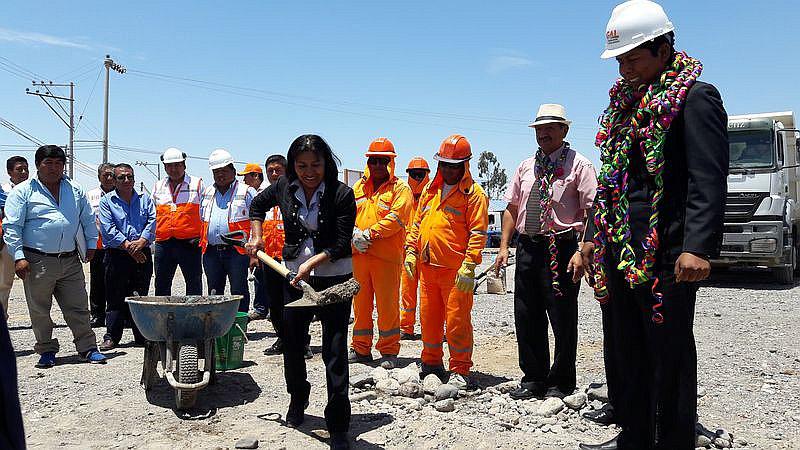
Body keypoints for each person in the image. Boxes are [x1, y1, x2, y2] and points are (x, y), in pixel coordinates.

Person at [579, 1, 728, 449]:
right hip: (623, 252)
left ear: (662, 51)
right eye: (619, 60)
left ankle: (674, 440)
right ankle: (635, 436)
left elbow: (708, 175)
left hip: (669, 254)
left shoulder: (696, 98)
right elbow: (611, 182)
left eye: (631, 57)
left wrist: (698, 246)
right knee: (628, 350)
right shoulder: (625, 108)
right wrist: (590, 237)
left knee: (669, 353)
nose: (623, 68)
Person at [247, 135, 356, 450]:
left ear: (327, 164)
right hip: (293, 279)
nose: (309, 172)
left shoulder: (342, 194)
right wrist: (257, 237)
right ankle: (298, 399)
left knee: (334, 351)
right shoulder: (283, 187)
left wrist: (312, 263)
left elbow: (339, 243)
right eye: (302, 165)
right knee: (293, 345)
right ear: (293, 165)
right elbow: (257, 205)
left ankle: (338, 425)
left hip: (334, 279)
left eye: (316, 165)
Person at [495, 104, 598, 400]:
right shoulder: (526, 167)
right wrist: (504, 247)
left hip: (563, 246)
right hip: (528, 246)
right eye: (540, 129)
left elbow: (594, 210)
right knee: (526, 313)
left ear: (565, 130)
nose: (544, 133)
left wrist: (583, 249)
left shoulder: (581, 166)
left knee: (562, 315)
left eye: (551, 127)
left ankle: (562, 381)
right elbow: (512, 208)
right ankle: (533, 378)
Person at [2, 145, 106, 367]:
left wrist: (91, 244)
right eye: (48, 163)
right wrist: (18, 256)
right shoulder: (23, 192)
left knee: (78, 307)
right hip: (36, 260)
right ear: (38, 165)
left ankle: (87, 348)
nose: (53, 168)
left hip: (70, 259)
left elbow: (87, 218)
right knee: (40, 310)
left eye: (58, 163)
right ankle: (47, 351)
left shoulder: (75, 189)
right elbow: (12, 227)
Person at [404, 135, 488, 389]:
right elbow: (417, 224)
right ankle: (431, 363)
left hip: (456, 272)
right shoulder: (431, 191)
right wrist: (410, 250)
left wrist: (470, 264)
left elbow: (478, 232)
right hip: (428, 269)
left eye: (455, 165)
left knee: (456, 322)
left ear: (465, 165)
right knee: (429, 320)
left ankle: (460, 368)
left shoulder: (473, 194)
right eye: (445, 164)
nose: (450, 170)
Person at [349, 138, 413, 369]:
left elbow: (397, 218)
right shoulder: (357, 189)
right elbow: (346, 215)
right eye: (373, 160)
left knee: (387, 306)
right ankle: (360, 347)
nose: (377, 165)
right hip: (359, 256)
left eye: (382, 161)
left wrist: (369, 234)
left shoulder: (400, 189)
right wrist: (353, 232)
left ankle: (388, 351)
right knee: (360, 304)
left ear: (391, 163)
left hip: (386, 257)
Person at [97, 163, 156, 351]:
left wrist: (142, 241)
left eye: (130, 176)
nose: (126, 180)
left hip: (143, 252)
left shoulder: (145, 199)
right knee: (115, 295)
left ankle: (142, 336)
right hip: (117, 255)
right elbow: (107, 229)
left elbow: (152, 222)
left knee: (140, 295)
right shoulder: (107, 202)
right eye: (121, 177)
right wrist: (129, 247)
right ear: (114, 180)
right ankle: (112, 336)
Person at [200, 149, 257, 312]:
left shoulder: (246, 191)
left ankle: (238, 329)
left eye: (224, 171)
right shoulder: (207, 192)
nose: (220, 175)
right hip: (211, 252)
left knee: (238, 291)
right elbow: (202, 219)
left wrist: (253, 252)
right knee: (214, 292)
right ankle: (217, 330)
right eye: (216, 172)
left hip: (237, 251)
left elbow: (257, 221)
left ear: (233, 171)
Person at [152, 147, 204, 296]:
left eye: (177, 165)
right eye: (170, 165)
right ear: (165, 167)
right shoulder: (158, 186)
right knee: (161, 283)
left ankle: (193, 317)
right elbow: (152, 213)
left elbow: (206, 212)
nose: (174, 169)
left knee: (193, 283)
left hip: (190, 243)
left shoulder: (197, 184)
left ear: (184, 165)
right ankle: (163, 316)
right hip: (164, 243)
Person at [399, 157, 430, 341]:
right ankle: (406, 327)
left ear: (427, 174)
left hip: (427, 252)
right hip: (406, 251)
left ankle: (430, 328)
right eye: (413, 173)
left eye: (420, 173)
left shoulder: (432, 193)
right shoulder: (403, 195)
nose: (417, 177)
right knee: (407, 292)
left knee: (428, 294)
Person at [86, 163, 116, 327]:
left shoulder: (123, 194)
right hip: (97, 246)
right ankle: (97, 314)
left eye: (112, 175)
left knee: (118, 281)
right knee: (97, 282)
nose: (110, 178)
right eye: (106, 175)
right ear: (99, 177)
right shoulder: (90, 196)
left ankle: (120, 315)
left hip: (118, 246)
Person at [0, 156, 29, 319]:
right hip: (7, 244)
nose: (24, 172)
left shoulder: (34, 190)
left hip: (32, 243)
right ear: (9, 172)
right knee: (4, 283)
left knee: (38, 285)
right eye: (20, 169)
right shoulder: (3, 192)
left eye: (26, 168)